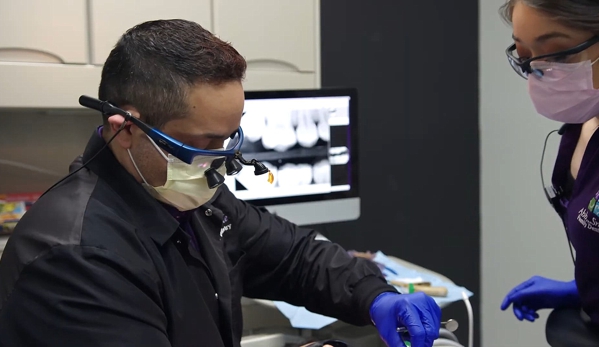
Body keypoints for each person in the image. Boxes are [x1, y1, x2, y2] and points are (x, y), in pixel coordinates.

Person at [0, 19, 442, 347]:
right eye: (205, 142)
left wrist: (374, 294)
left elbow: (292, 256)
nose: (223, 163)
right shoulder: (76, 260)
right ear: (126, 128)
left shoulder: (190, 198)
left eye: (230, 137)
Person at [498, 0, 599, 343]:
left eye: (557, 55)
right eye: (524, 55)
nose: (539, 72)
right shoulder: (584, 121)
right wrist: (584, 289)